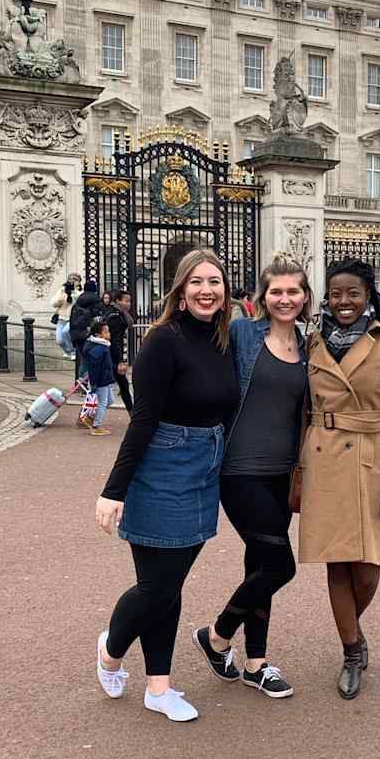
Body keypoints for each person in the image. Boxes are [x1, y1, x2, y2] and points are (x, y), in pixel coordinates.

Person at [93, 249, 240, 723]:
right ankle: (112, 650)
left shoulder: (223, 338)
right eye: (196, 282)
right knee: (157, 586)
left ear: (224, 290)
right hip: (161, 465)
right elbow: (142, 419)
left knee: (170, 583)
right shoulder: (162, 340)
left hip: (206, 466)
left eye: (214, 281)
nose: (206, 290)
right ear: (179, 291)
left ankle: (159, 686)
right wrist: (114, 489)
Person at [193, 254, 311, 700]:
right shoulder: (242, 332)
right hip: (239, 470)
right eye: (276, 292)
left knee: (259, 564)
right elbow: (194, 348)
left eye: (293, 291)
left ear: (304, 296)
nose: (284, 299)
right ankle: (217, 636)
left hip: (285, 473)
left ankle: (256, 663)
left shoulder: (309, 344)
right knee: (280, 565)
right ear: (262, 296)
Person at [298, 257, 380, 699]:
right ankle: (351, 649)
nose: (343, 301)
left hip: (371, 459)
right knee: (336, 562)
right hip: (324, 458)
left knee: (367, 571)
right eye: (336, 293)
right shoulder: (311, 342)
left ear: (368, 296)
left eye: (353, 293)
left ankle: (352, 630)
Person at [79, 318, 117, 436]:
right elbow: (95, 368)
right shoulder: (99, 348)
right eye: (106, 332)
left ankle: (90, 418)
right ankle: (96, 426)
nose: (109, 334)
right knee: (103, 402)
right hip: (101, 380)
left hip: (104, 378)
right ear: (98, 335)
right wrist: (94, 384)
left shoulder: (102, 346)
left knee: (110, 400)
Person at [104, 289, 135, 412]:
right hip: (111, 356)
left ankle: (132, 414)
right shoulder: (115, 317)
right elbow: (115, 341)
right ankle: (133, 414)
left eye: (129, 301)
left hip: (110, 355)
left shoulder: (117, 314)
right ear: (117, 301)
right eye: (126, 301)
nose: (128, 304)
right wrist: (120, 361)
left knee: (119, 386)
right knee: (122, 385)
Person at [69, 277, 102, 375]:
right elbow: (98, 319)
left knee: (84, 360)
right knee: (93, 360)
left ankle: (80, 383)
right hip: (89, 334)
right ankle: (91, 383)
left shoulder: (78, 302)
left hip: (77, 334)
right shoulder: (96, 300)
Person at [51, 276, 80, 358]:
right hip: (62, 318)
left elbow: (79, 300)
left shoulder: (79, 292)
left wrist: (73, 291)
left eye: (75, 280)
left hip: (73, 318)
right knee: (59, 340)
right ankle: (68, 352)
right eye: (70, 280)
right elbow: (54, 303)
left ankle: (73, 351)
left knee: (65, 332)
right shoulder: (62, 290)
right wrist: (63, 295)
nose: (72, 282)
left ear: (79, 282)